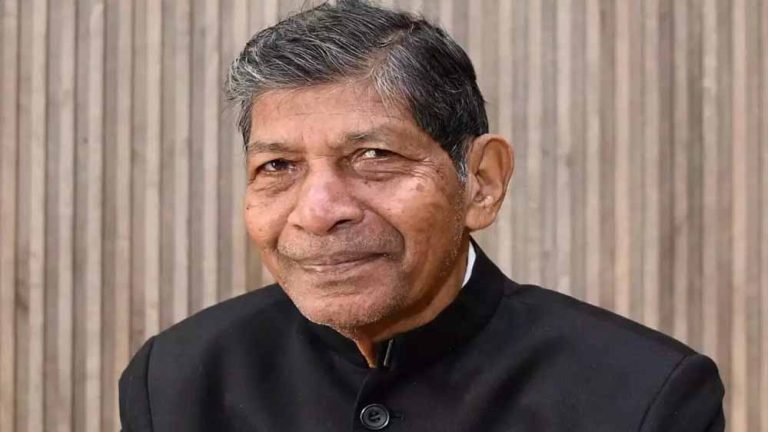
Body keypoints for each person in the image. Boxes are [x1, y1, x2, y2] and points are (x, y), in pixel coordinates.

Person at [119, 1, 724, 431]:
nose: (319, 212)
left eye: (373, 157)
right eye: (278, 166)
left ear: (481, 181)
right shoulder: (178, 379)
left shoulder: (641, 396)